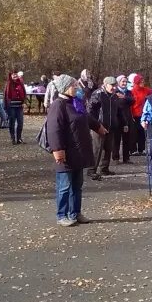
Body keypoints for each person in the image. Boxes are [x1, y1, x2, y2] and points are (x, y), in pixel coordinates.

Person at [48, 74, 107, 226]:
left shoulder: (76, 102)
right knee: (65, 187)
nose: (76, 87)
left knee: (77, 185)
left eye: (75, 85)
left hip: (78, 152)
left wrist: (98, 126)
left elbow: (85, 117)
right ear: (64, 88)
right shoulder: (58, 105)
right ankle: (62, 215)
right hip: (65, 153)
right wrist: (58, 150)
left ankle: (75, 212)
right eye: (73, 85)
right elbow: (54, 129)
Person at [87, 76, 127, 180]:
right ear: (105, 85)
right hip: (99, 126)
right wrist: (95, 124)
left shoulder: (115, 96)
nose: (114, 87)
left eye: (115, 85)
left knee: (108, 148)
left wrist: (124, 123)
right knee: (97, 149)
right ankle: (91, 170)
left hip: (111, 125)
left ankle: (104, 169)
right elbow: (90, 110)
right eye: (112, 85)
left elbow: (119, 111)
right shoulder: (98, 94)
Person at [112, 75, 135, 164]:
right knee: (116, 138)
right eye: (123, 82)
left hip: (127, 117)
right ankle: (115, 157)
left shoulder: (128, 92)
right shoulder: (115, 91)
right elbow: (116, 103)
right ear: (118, 82)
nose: (125, 83)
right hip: (117, 118)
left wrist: (124, 97)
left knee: (127, 138)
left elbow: (133, 101)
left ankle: (126, 158)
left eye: (126, 82)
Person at [129, 73, 152, 155]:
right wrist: (130, 115)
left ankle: (142, 149)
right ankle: (133, 149)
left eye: (143, 81)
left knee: (142, 132)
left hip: (142, 114)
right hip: (134, 114)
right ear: (137, 82)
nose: (143, 82)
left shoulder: (146, 90)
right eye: (141, 81)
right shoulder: (132, 91)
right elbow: (130, 104)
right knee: (134, 132)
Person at [4, 71, 26, 144]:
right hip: (11, 106)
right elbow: (5, 95)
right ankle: (12, 138)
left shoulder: (20, 83)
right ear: (10, 76)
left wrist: (24, 102)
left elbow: (24, 93)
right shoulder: (8, 83)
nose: (15, 76)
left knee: (20, 122)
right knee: (12, 122)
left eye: (16, 74)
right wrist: (6, 106)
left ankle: (19, 138)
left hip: (19, 106)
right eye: (13, 74)